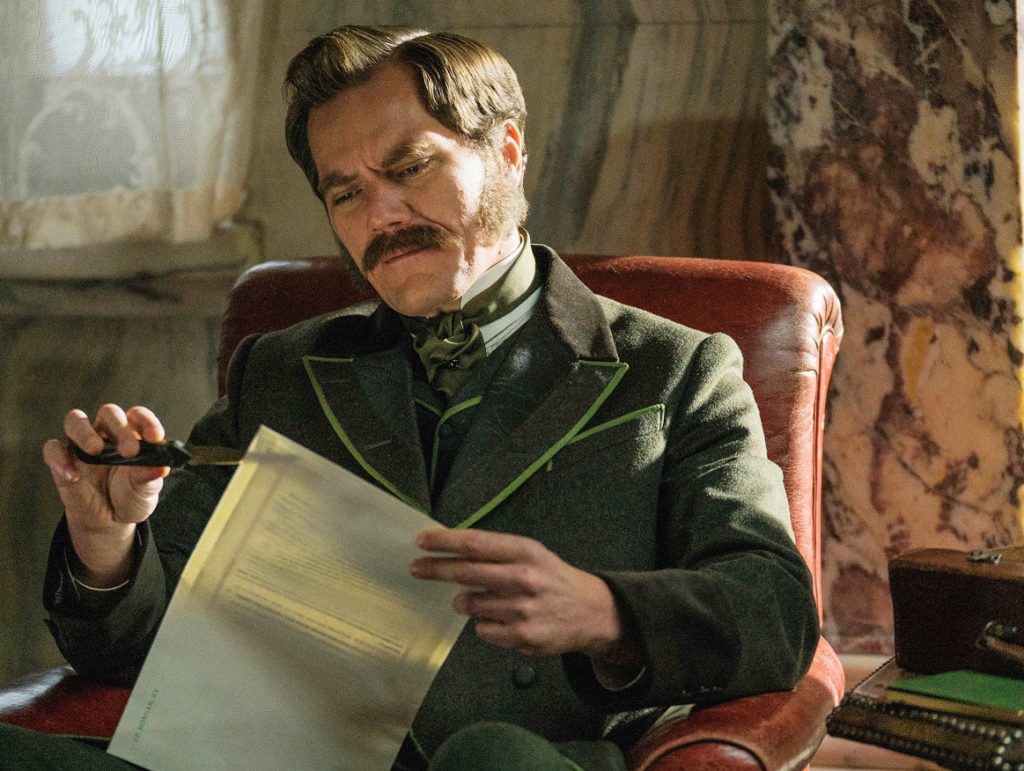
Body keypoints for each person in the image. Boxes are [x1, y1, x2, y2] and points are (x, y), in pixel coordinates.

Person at [4, 25, 819, 771]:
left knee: (488, 756)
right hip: (277, 759)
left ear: (507, 151)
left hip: (514, 761)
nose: (382, 215)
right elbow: (138, 654)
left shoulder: (674, 369)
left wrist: (605, 611)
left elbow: (776, 610)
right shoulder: (280, 373)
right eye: (346, 193)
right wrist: (107, 543)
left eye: (409, 168)